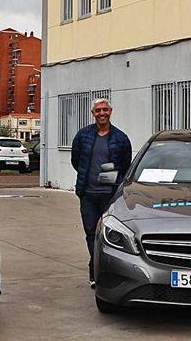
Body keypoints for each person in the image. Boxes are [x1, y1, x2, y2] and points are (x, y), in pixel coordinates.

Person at [71, 98, 132, 287]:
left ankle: (102, 269)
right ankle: (95, 269)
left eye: (105, 109)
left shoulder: (120, 138)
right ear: (93, 113)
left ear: (110, 111)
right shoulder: (83, 136)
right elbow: (76, 161)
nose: (102, 113)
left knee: (109, 234)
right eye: (98, 110)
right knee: (91, 233)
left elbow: (125, 165)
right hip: (88, 194)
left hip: (110, 195)